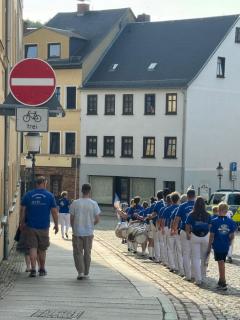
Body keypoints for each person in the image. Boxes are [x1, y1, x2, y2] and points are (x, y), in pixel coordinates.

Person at [19, 176, 59, 277]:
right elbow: (54, 211)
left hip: (31, 226)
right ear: (44, 183)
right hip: (44, 226)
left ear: (36, 183)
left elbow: (22, 210)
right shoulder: (49, 195)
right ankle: (42, 269)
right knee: (42, 249)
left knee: (32, 248)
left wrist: (21, 223)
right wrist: (56, 224)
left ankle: (33, 269)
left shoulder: (28, 195)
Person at [70, 183, 101, 280]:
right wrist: (91, 225)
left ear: (81, 191)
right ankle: (86, 272)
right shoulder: (93, 203)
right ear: (90, 191)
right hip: (88, 232)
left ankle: (80, 272)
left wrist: (74, 227)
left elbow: (72, 218)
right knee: (87, 252)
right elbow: (97, 219)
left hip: (77, 231)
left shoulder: (75, 203)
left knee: (78, 252)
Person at [207, 202, 237, 290]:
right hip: (225, 245)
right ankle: (221, 280)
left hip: (217, 245)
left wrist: (209, 246)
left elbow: (211, 235)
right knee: (222, 262)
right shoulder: (231, 221)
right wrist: (229, 243)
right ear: (226, 211)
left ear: (218, 210)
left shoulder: (214, 221)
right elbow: (232, 236)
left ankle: (223, 283)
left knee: (221, 263)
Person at [185, 197, 211, 286]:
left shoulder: (191, 214)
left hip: (195, 236)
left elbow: (187, 225)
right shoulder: (208, 214)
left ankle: (198, 279)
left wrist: (188, 234)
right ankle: (203, 277)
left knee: (195, 258)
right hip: (205, 236)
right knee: (204, 257)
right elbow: (210, 226)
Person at [173, 188, 196, 281]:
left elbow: (177, 219)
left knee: (185, 254)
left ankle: (188, 275)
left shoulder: (182, 205)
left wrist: (174, 229)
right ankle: (195, 274)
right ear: (194, 196)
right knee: (195, 254)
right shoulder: (199, 205)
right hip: (196, 232)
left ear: (187, 196)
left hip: (184, 231)